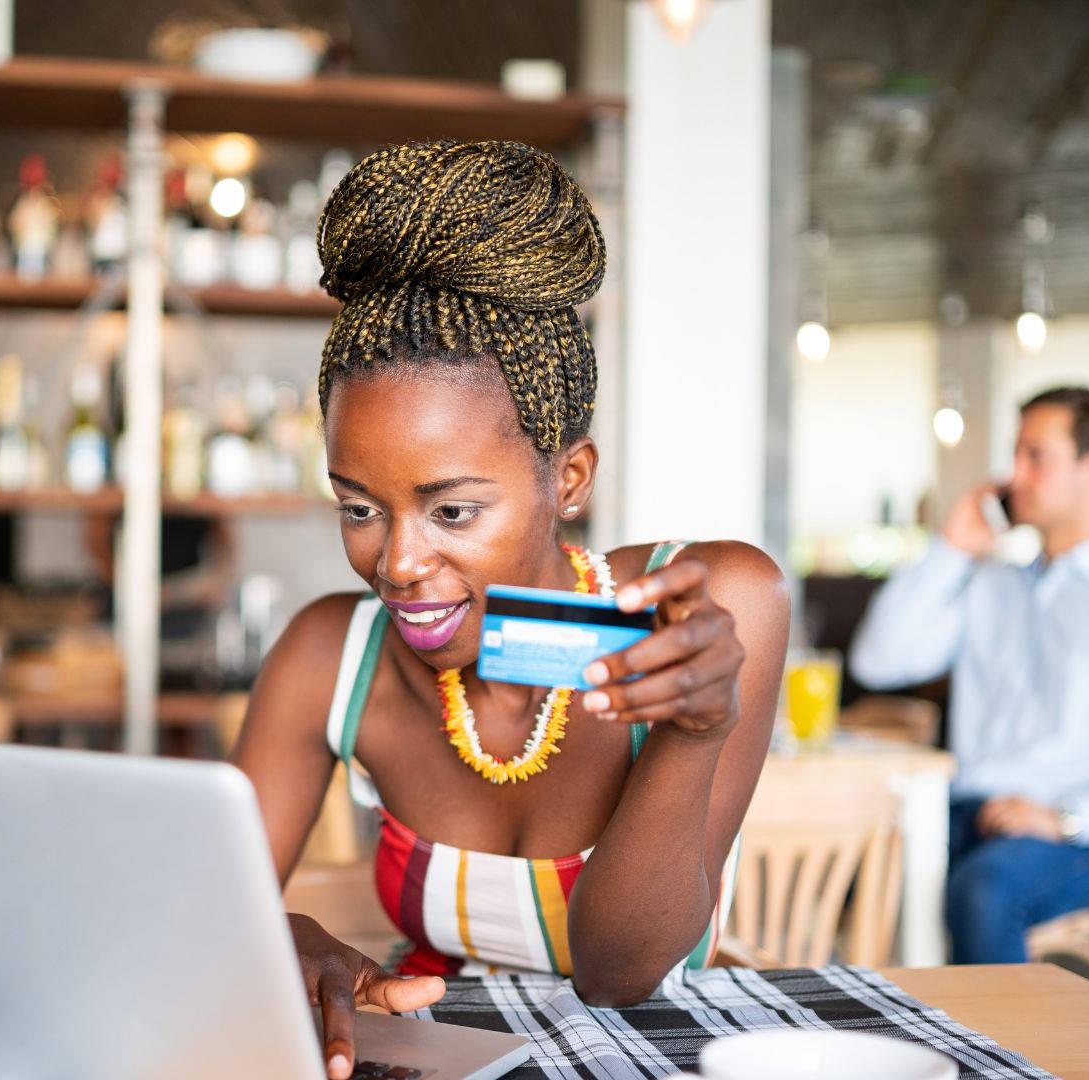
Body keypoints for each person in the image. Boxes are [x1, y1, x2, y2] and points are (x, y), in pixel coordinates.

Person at [228, 141, 790, 1079]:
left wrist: (694, 731)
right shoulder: (332, 653)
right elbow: (203, 914)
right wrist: (275, 937)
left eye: (453, 511)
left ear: (568, 478)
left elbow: (617, 973)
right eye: (358, 507)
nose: (398, 563)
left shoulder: (707, 606)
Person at [850, 386, 1089, 966]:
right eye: (1016, 455)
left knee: (984, 890)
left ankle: (995, 1059)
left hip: (1069, 833)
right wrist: (950, 549)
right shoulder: (991, 582)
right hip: (958, 812)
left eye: (1036, 456)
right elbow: (877, 661)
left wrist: (1071, 819)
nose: (1014, 475)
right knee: (842, 859)